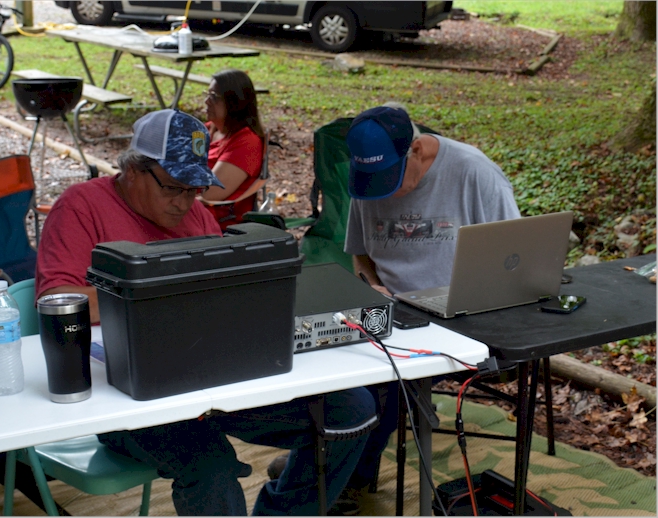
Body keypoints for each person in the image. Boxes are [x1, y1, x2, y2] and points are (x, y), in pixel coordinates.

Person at [35, 108, 377, 516]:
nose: (185, 202)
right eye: (173, 187)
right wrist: (149, 294)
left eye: (195, 189)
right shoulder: (82, 206)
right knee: (210, 466)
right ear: (132, 170)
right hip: (130, 399)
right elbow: (56, 298)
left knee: (351, 410)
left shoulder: (196, 214)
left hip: (215, 382)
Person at [341, 102, 522, 505]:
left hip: (463, 314)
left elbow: (516, 260)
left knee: (384, 387)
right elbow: (361, 257)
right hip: (389, 306)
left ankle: (340, 473)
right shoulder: (368, 182)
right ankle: (325, 459)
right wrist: (370, 285)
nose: (382, 190)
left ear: (417, 151)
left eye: (391, 177)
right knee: (332, 367)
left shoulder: (474, 173)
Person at [199, 69, 265, 231]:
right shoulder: (208, 130)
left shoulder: (246, 143)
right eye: (207, 94)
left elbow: (210, 192)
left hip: (216, 221)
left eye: (214, 97)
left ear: (235, 103)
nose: (207, 101)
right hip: (187, 204)